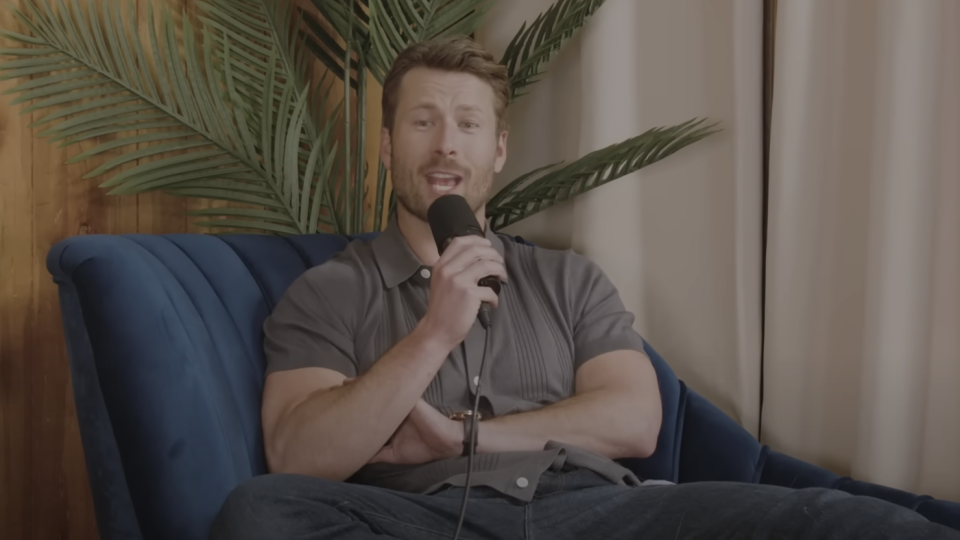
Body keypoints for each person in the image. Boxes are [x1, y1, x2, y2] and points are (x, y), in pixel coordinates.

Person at [209, 36, 958, 540]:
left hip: (592, 511)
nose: (446, 144)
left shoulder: (566, 278)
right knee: (258, 510)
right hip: (422, 519)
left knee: (833, 518)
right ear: (385, 146)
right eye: (423, 122)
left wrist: (464, 435)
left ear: (497, 149)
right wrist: (431, 334)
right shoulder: (328, 291)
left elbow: (636, 420)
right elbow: (297, 456)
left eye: (468, 124)